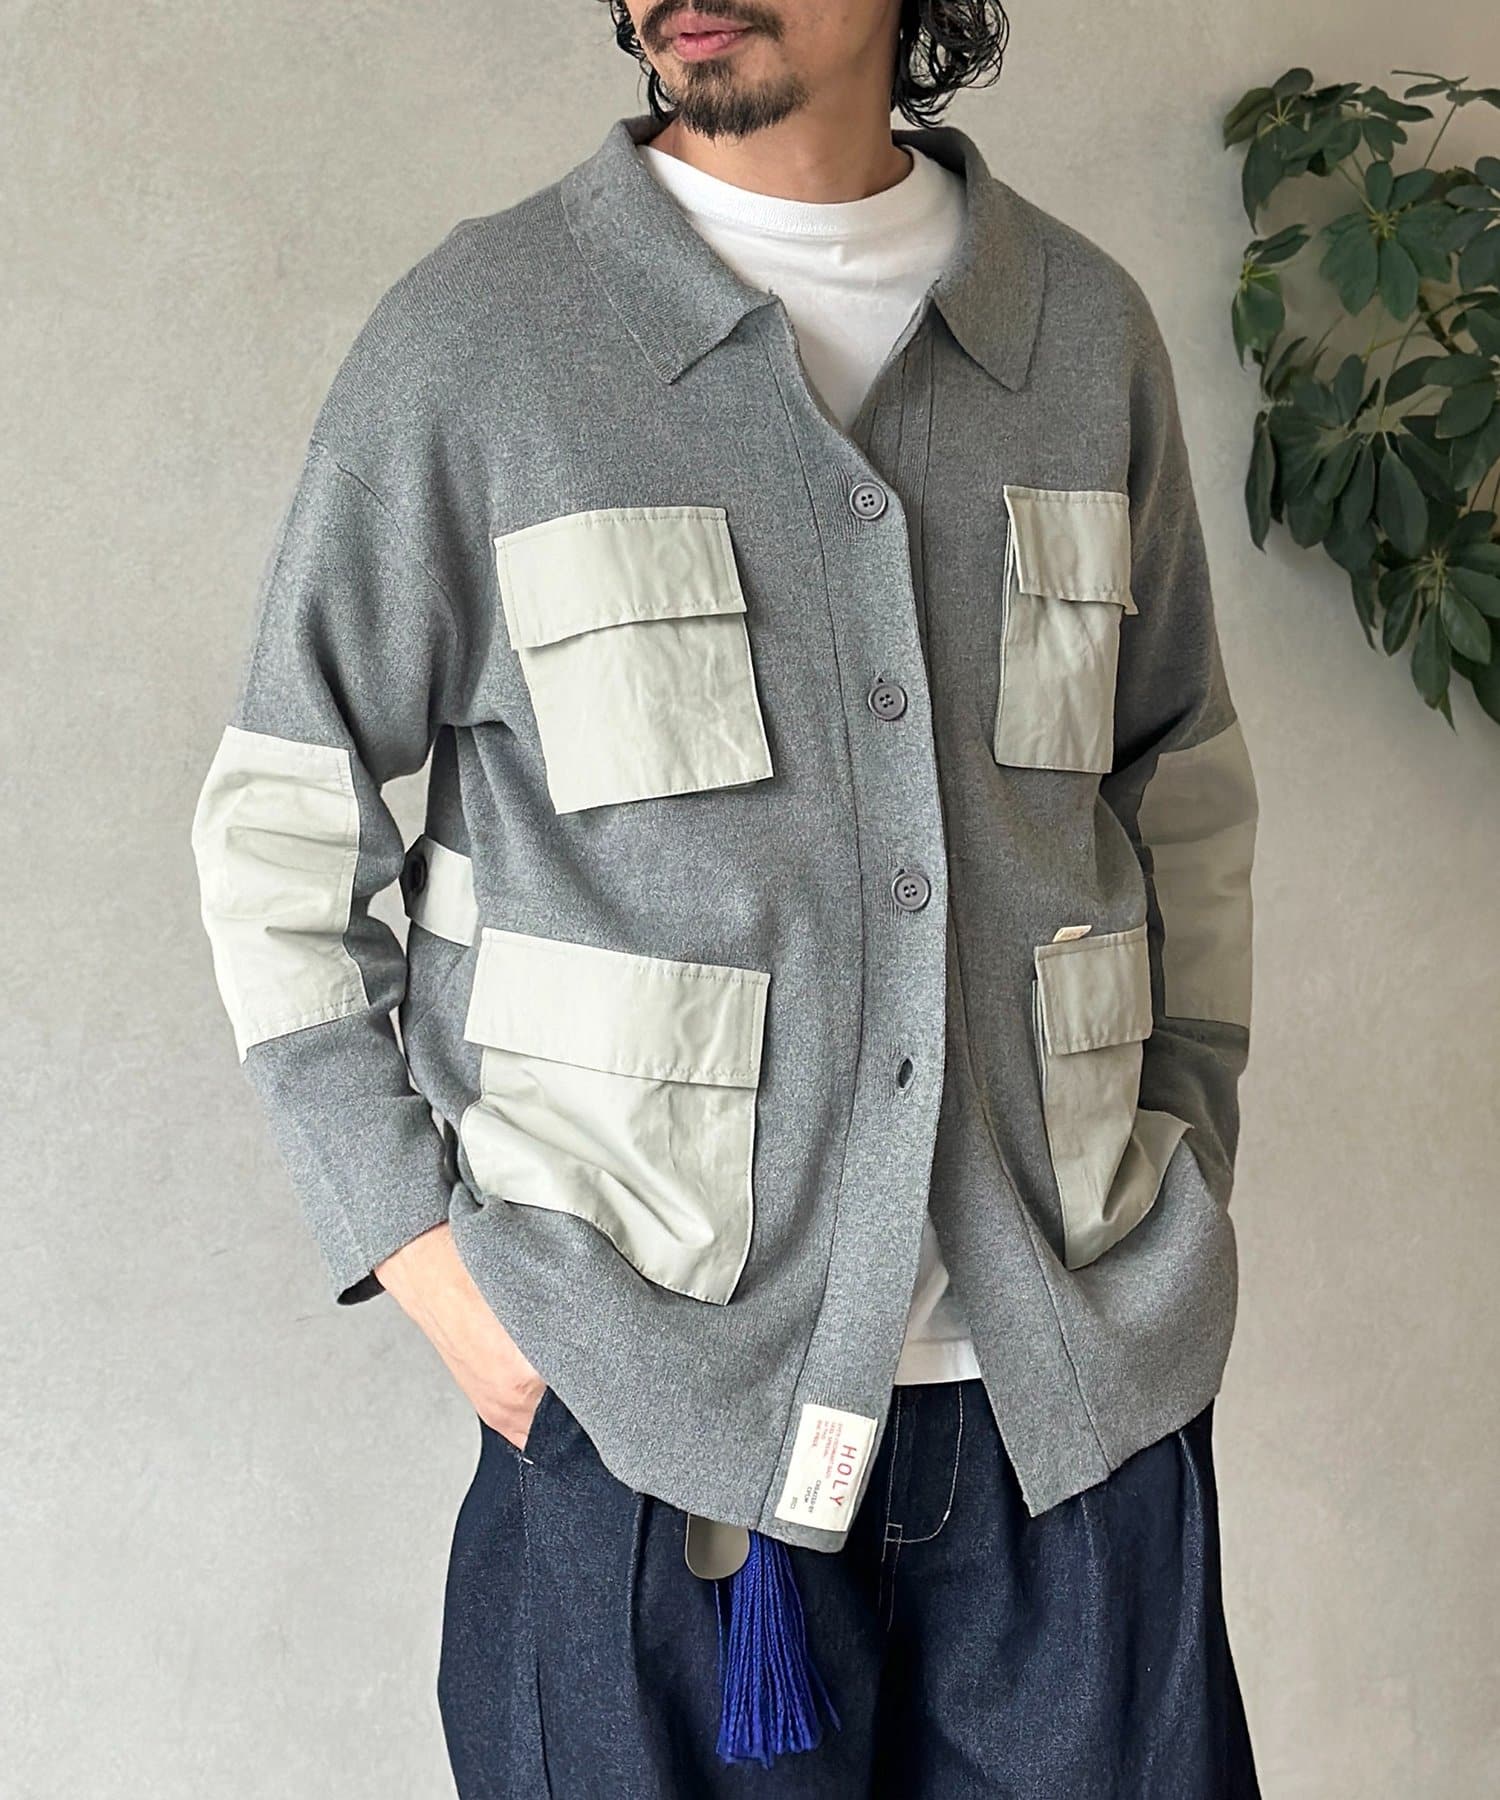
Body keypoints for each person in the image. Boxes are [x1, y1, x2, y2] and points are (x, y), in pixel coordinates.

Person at [189, 2, 1263, 1793]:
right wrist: (430, 1270)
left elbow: (1185, 791)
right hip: (651, 1428)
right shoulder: (483, 339)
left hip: (1072, 1418)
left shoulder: (1081, 332)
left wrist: (1189, 1160)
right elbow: (280, 835)